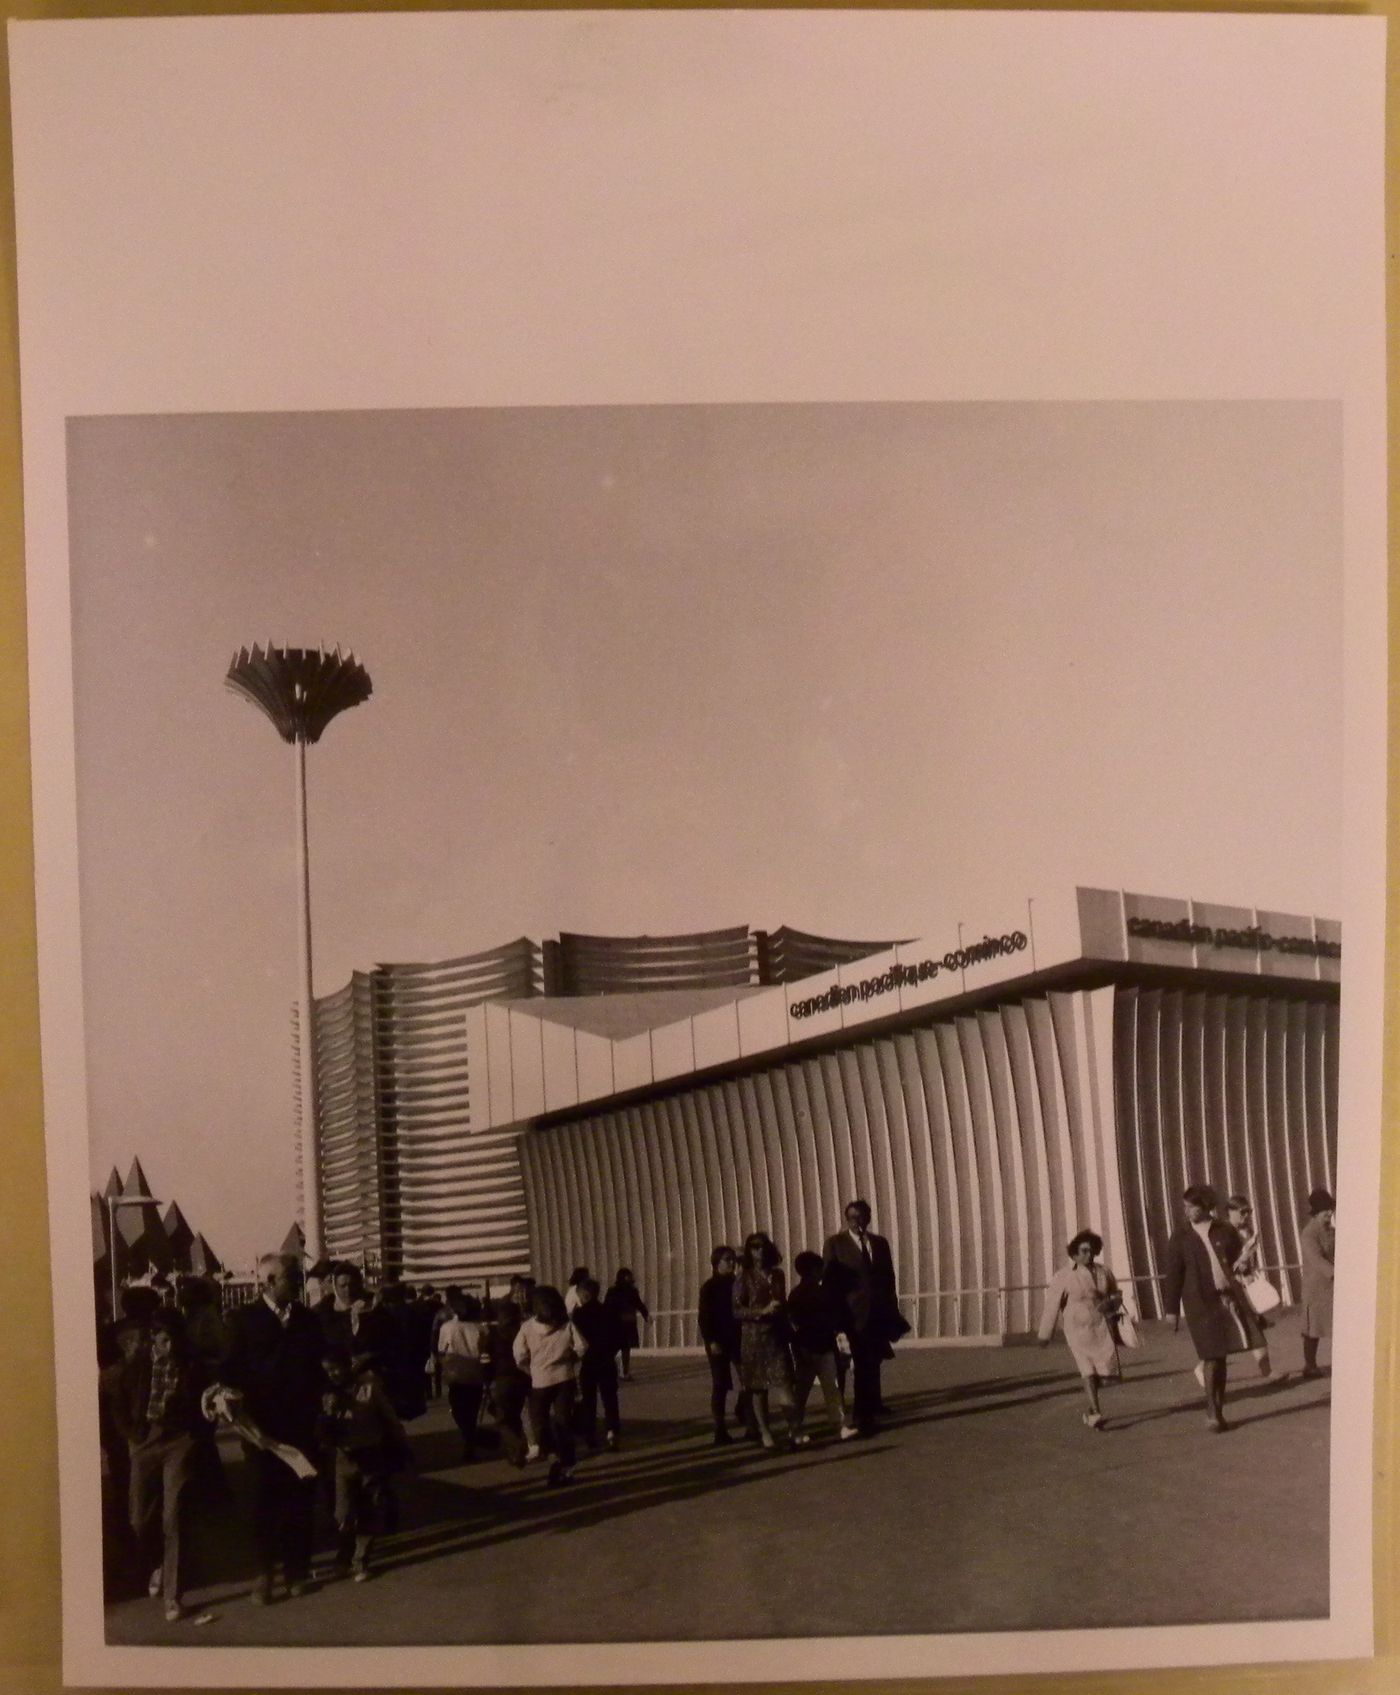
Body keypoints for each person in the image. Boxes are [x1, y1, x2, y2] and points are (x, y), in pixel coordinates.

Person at [214, 1252, 326, 1604]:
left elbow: (318, 1367)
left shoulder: (308, 1320)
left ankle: (296, 1571)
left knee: (299, 1499)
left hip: (301, 1425)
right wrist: (227, 1397)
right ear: (269, 1282)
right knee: (263, 1501)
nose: (298, 1283)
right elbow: (229, 1369)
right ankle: (264, 1574)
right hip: (261, 1429)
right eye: (292, 1278)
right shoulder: (243, 1320)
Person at [111, 1309, 212, 1622]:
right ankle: (159, 1564)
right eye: (164, 1340)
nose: (170, 1346)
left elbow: (205, 1399)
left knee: (174, 1515)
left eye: (174, 1340)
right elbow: (118, 1403)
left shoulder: (190, 1365)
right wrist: (132, 1435)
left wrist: (198, 1430)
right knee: (139, 1519)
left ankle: (174, 1596)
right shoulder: (136, 1366)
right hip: (144, 1442)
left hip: (178, 1443)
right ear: (153, 1338)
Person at [1161, 1184, 1264, 1433]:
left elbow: (1242, 1260)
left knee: (1221, 1358)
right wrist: (1171, 1310)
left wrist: (1245, 1267)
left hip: (1226, 1300)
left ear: (1206, 1206)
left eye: (1192, 1206)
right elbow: (1173, 1275)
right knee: (1211, 1355)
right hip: (1199, 1304)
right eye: (1184, 1206)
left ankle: (1218, 1407)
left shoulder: (1224, 1230)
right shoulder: (1180, 1236)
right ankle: (1212, 1411)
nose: (1187, 1211)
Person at [317, 1342, 410, 1582]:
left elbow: (389, 1417)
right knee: (343, 1513)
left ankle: (361, 1561)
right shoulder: (326, 1395)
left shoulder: (368, 1389)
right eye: (328, 1370)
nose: (333, 1374)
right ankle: (344, 1555)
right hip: (343, 1459)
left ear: (348, 1365)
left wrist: (401, 1443)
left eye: (336, 1368)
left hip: (371, 1455)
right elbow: (321, 1432)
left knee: (369, 1508)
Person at [821, 1198, 907, 1435]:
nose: (858, 1222)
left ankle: (866, 1412)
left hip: (876, 1314)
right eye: (852, 1218)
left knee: (869, 1365)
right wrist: (835, 1320)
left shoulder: (880, 1243)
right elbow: (830, 1283)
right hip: (850, 1316)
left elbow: (888, 1279)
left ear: (868, 1217)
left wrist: (891, 1309)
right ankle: (853, 1416)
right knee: (855, 1365)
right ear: (846, 1219)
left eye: (861, 1217)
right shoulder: (835, 1244)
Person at [1037, 1231, 1124, 1430]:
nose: (1089, 1255)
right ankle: (1095, 1411)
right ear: (1074, 1254)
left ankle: (1092, 1407)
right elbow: (1052, 1305)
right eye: (1084, 1251)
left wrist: (1113, 1303)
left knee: (1106, 1374)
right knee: (1087, 1371)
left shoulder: (1104, 1272)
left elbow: (1115, 1292)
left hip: (1101, 1327)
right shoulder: (1064, 1276)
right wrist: (1045, 1334)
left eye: (1092, 1250)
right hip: (1076, 1329)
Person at [513, 1285, 587, 1486]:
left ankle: (551, 1453)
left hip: (540, 1381)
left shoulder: (527, 1327)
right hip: (564, 1378)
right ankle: (567, 1464)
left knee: (539, 1422)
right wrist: (569, 1359)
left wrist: (531, 1369)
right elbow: (582, 1347)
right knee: (563, 1421)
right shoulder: (567, 1324)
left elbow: (519, 1355)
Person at [733, 1231, 798, 1451]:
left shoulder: (777, 1274)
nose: (758, 1251)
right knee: (758, 1388)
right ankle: (765, 1432)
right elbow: (736, 1310)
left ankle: (794, 1430)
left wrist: (788, 1316)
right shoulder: (744, 1277)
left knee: (785, 1383)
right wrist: (761, 1310)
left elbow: (783, 1300)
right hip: (754, 1338)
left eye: (761, 1246)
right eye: (753, 1247)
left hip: (776, 1336)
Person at [787, 1251, 859, 1444]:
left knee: (802, 1391)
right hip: (819, 1346)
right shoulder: (821, 1293)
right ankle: (839, 1424)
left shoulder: (796, 1294)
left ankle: (795, 1428)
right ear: (812, 1270)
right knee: (831, 1388)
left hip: (808, 1347)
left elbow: (794, 1324)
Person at [698, 1245, 753, 1445]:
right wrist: (711, 1340)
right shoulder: (709, 1287)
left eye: (733, 1259)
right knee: (720, 1384)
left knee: (748, 1380)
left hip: (739, 1339)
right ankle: (720, 1429)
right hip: (719, 1341)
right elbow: (704, 1317)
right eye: (727, 1259)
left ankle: (746, 1417)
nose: (732, 1263)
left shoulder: (739, 1283)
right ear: (716, 1263)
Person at [570, 1277, 623, 1450]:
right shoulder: (609, 1311)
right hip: (606, 1360)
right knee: (610, 1399)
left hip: (588, 1362)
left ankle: (590, 1435)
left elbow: (575, 1340)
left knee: (589, 1400)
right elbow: (618, 1337)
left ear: (585, 1294)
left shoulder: (578, 1314)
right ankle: (612, 1431)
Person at [436, 1290, 488, 1461]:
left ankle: (470, 1437)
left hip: (456, 1374)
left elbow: (441, 1350)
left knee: (458, 1410)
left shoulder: (448, 1327)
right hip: (475, 1373)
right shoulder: (481, 1328)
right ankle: (471, 1439)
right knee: (472, 1411)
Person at [1225, 1195, 1272, 1377]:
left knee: (1253, 1328)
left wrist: (1249, 1264)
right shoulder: (1224, 1232)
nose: (1246, 1216)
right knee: (1231, 1332)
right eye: (1242, 1212)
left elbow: (1250, 1260)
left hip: (1245, 1284)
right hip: (1231, 1286)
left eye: (1248, 1211)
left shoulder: (1247, 1232)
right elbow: (1224, 1264)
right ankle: (1202, 1368)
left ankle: (1267, 1370)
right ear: (1230, 1211)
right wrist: (1240, 1262)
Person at [1299, 1187, 1335, 1378]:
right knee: (1312, 1328)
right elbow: (1316, 1259)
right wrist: (1335, 1273)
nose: (1329, 1213)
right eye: (1325, 1210)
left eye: (1331, 1209)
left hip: (1333, 1287)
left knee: (1336, 1325)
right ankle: (1309, 1366)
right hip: (1315, 1287)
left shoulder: (1332, 1231)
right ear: (1316, 1212)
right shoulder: (1309, 1233)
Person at [604, 1268, 650, 1380]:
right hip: (627, 1323)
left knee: (615, 1348)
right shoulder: (632, 1291)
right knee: (625, 1348)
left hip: (616, 1324)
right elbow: (639, 1304)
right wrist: (646, 1315)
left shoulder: (613, 1291)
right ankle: (624, 1372)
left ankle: (612, 1370)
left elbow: (606, 1307)